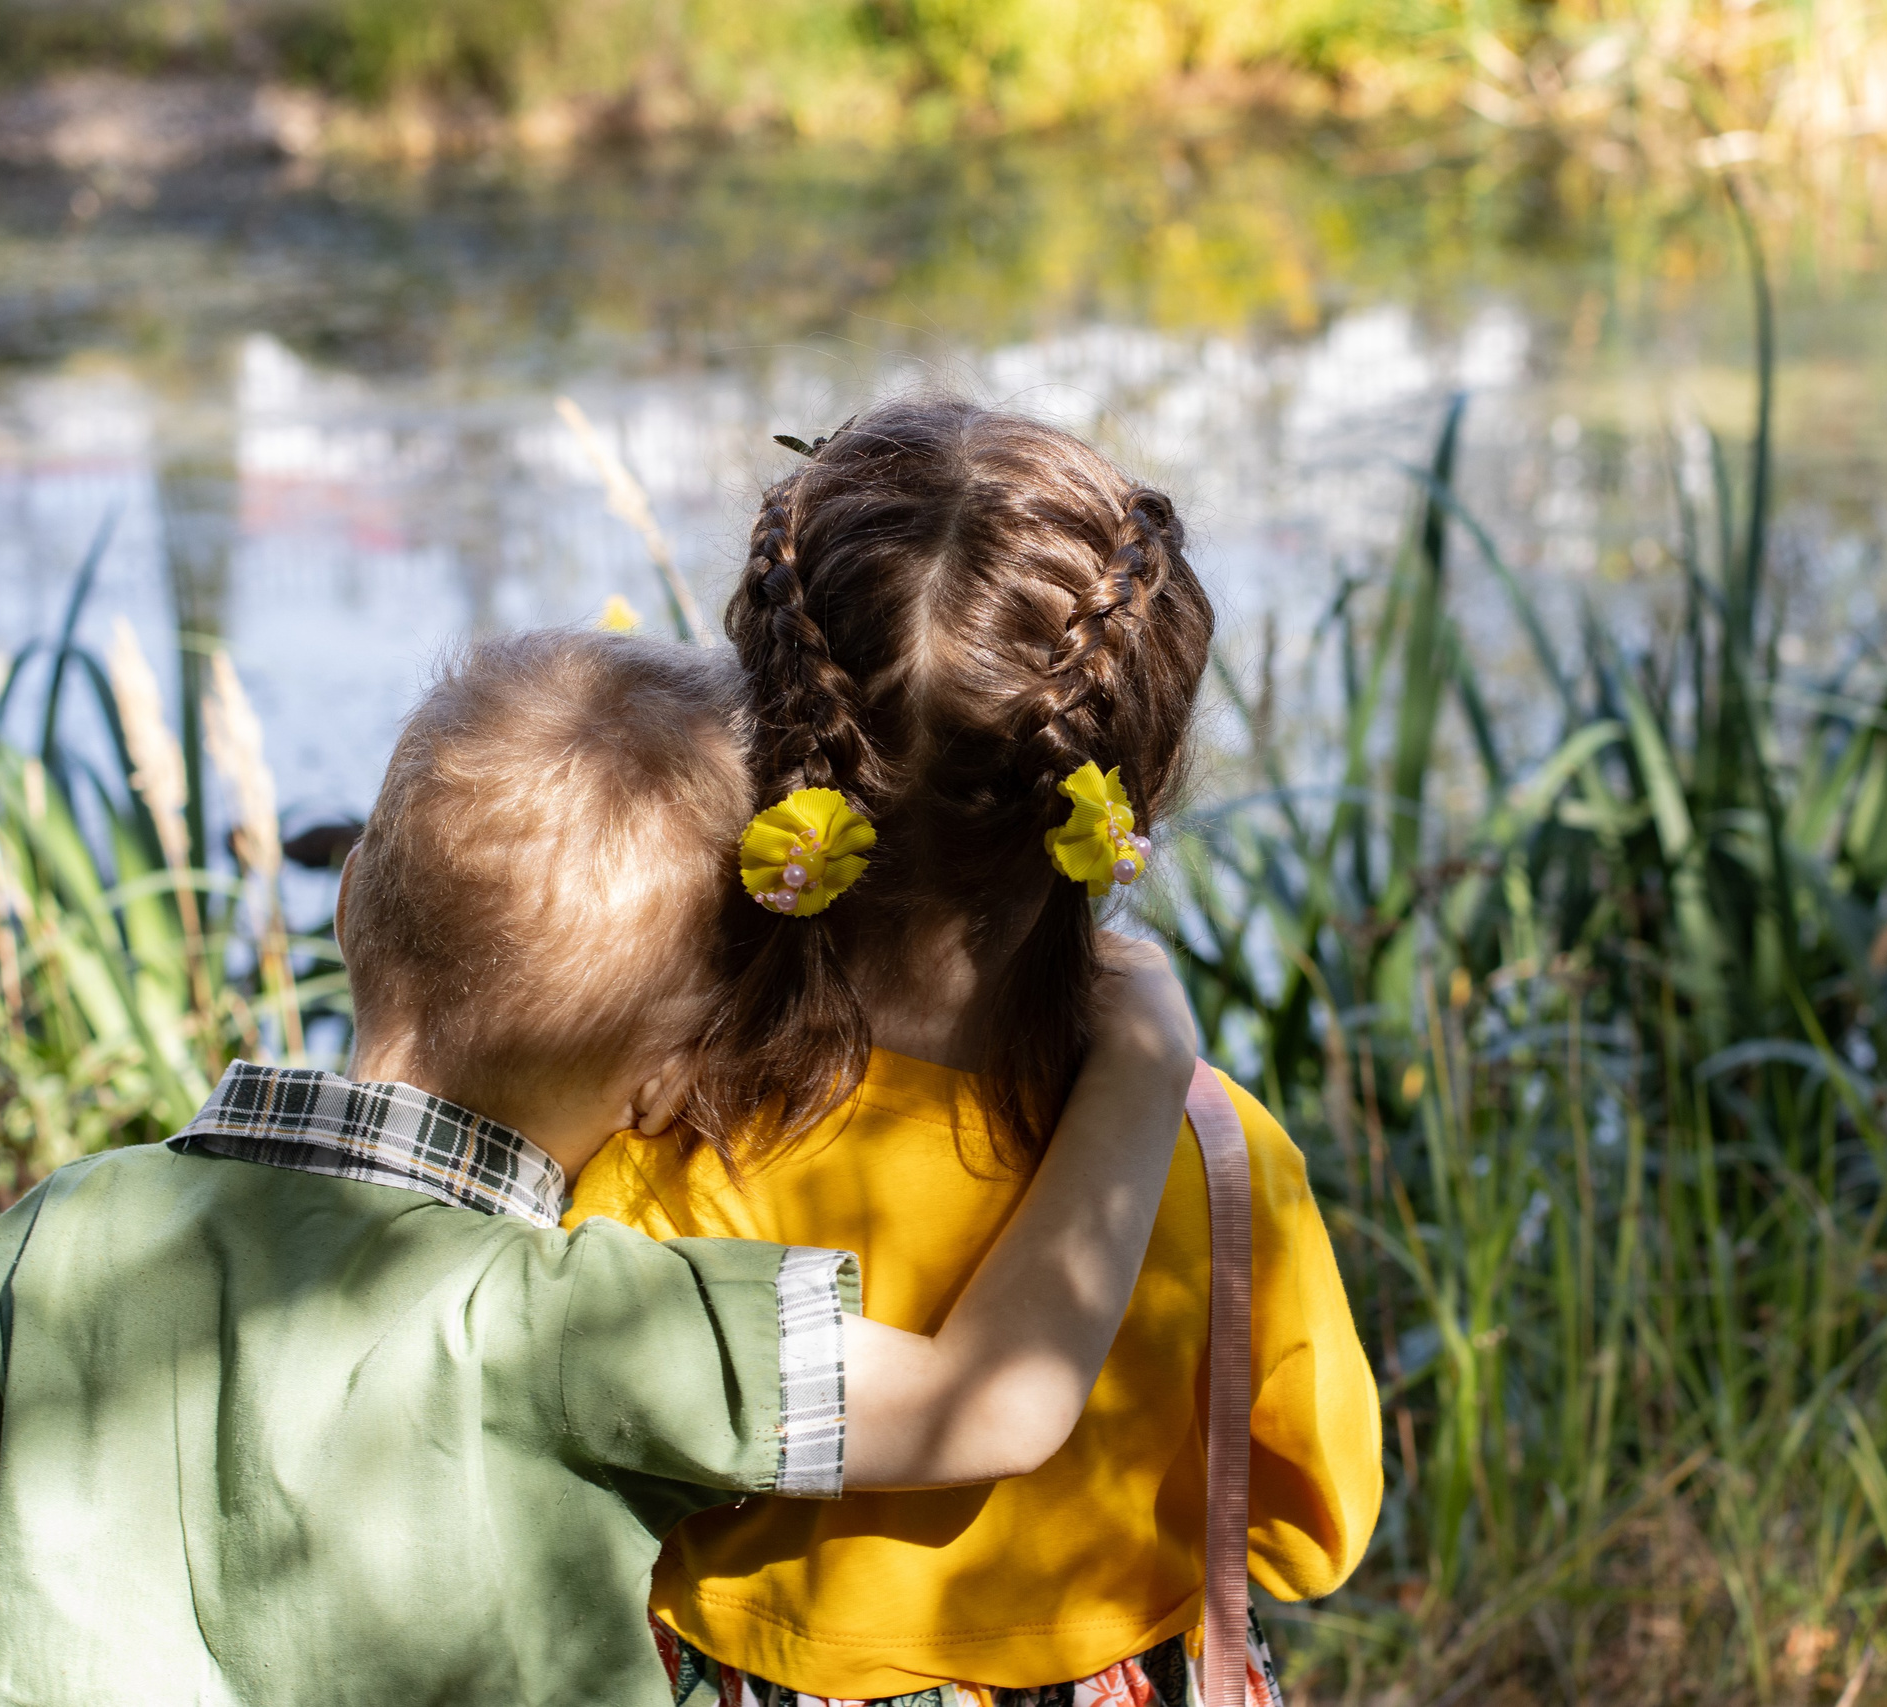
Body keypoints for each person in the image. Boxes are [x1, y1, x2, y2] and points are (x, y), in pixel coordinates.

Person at [0, 629, 1204, 1707]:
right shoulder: (587, 1322)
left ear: (354, 899)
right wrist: (1141, 1071)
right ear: (674, 1076)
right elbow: (991, 1404)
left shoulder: (49, 1241)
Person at [572, 399, 1386, 1705]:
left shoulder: (655, 1140)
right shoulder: (1218, 1162)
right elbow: (1311, 1525)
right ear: (1137, 784)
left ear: (769, 743)